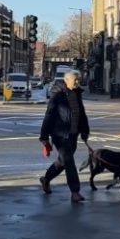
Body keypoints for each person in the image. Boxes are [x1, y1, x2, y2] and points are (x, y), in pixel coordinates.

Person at [39, 69, 90, 203]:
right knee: (69, 162)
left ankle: (46, 179)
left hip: (73, 134)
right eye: (75, 80)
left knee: (62, 162)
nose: (78, 82)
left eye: (79, 80)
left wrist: (85, 131)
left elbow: (81, 114)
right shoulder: (58, 94)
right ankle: (75, 192)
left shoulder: (77, 93)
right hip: (59, 135)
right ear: (66, 80)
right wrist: (44, 137)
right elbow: (48, 115)